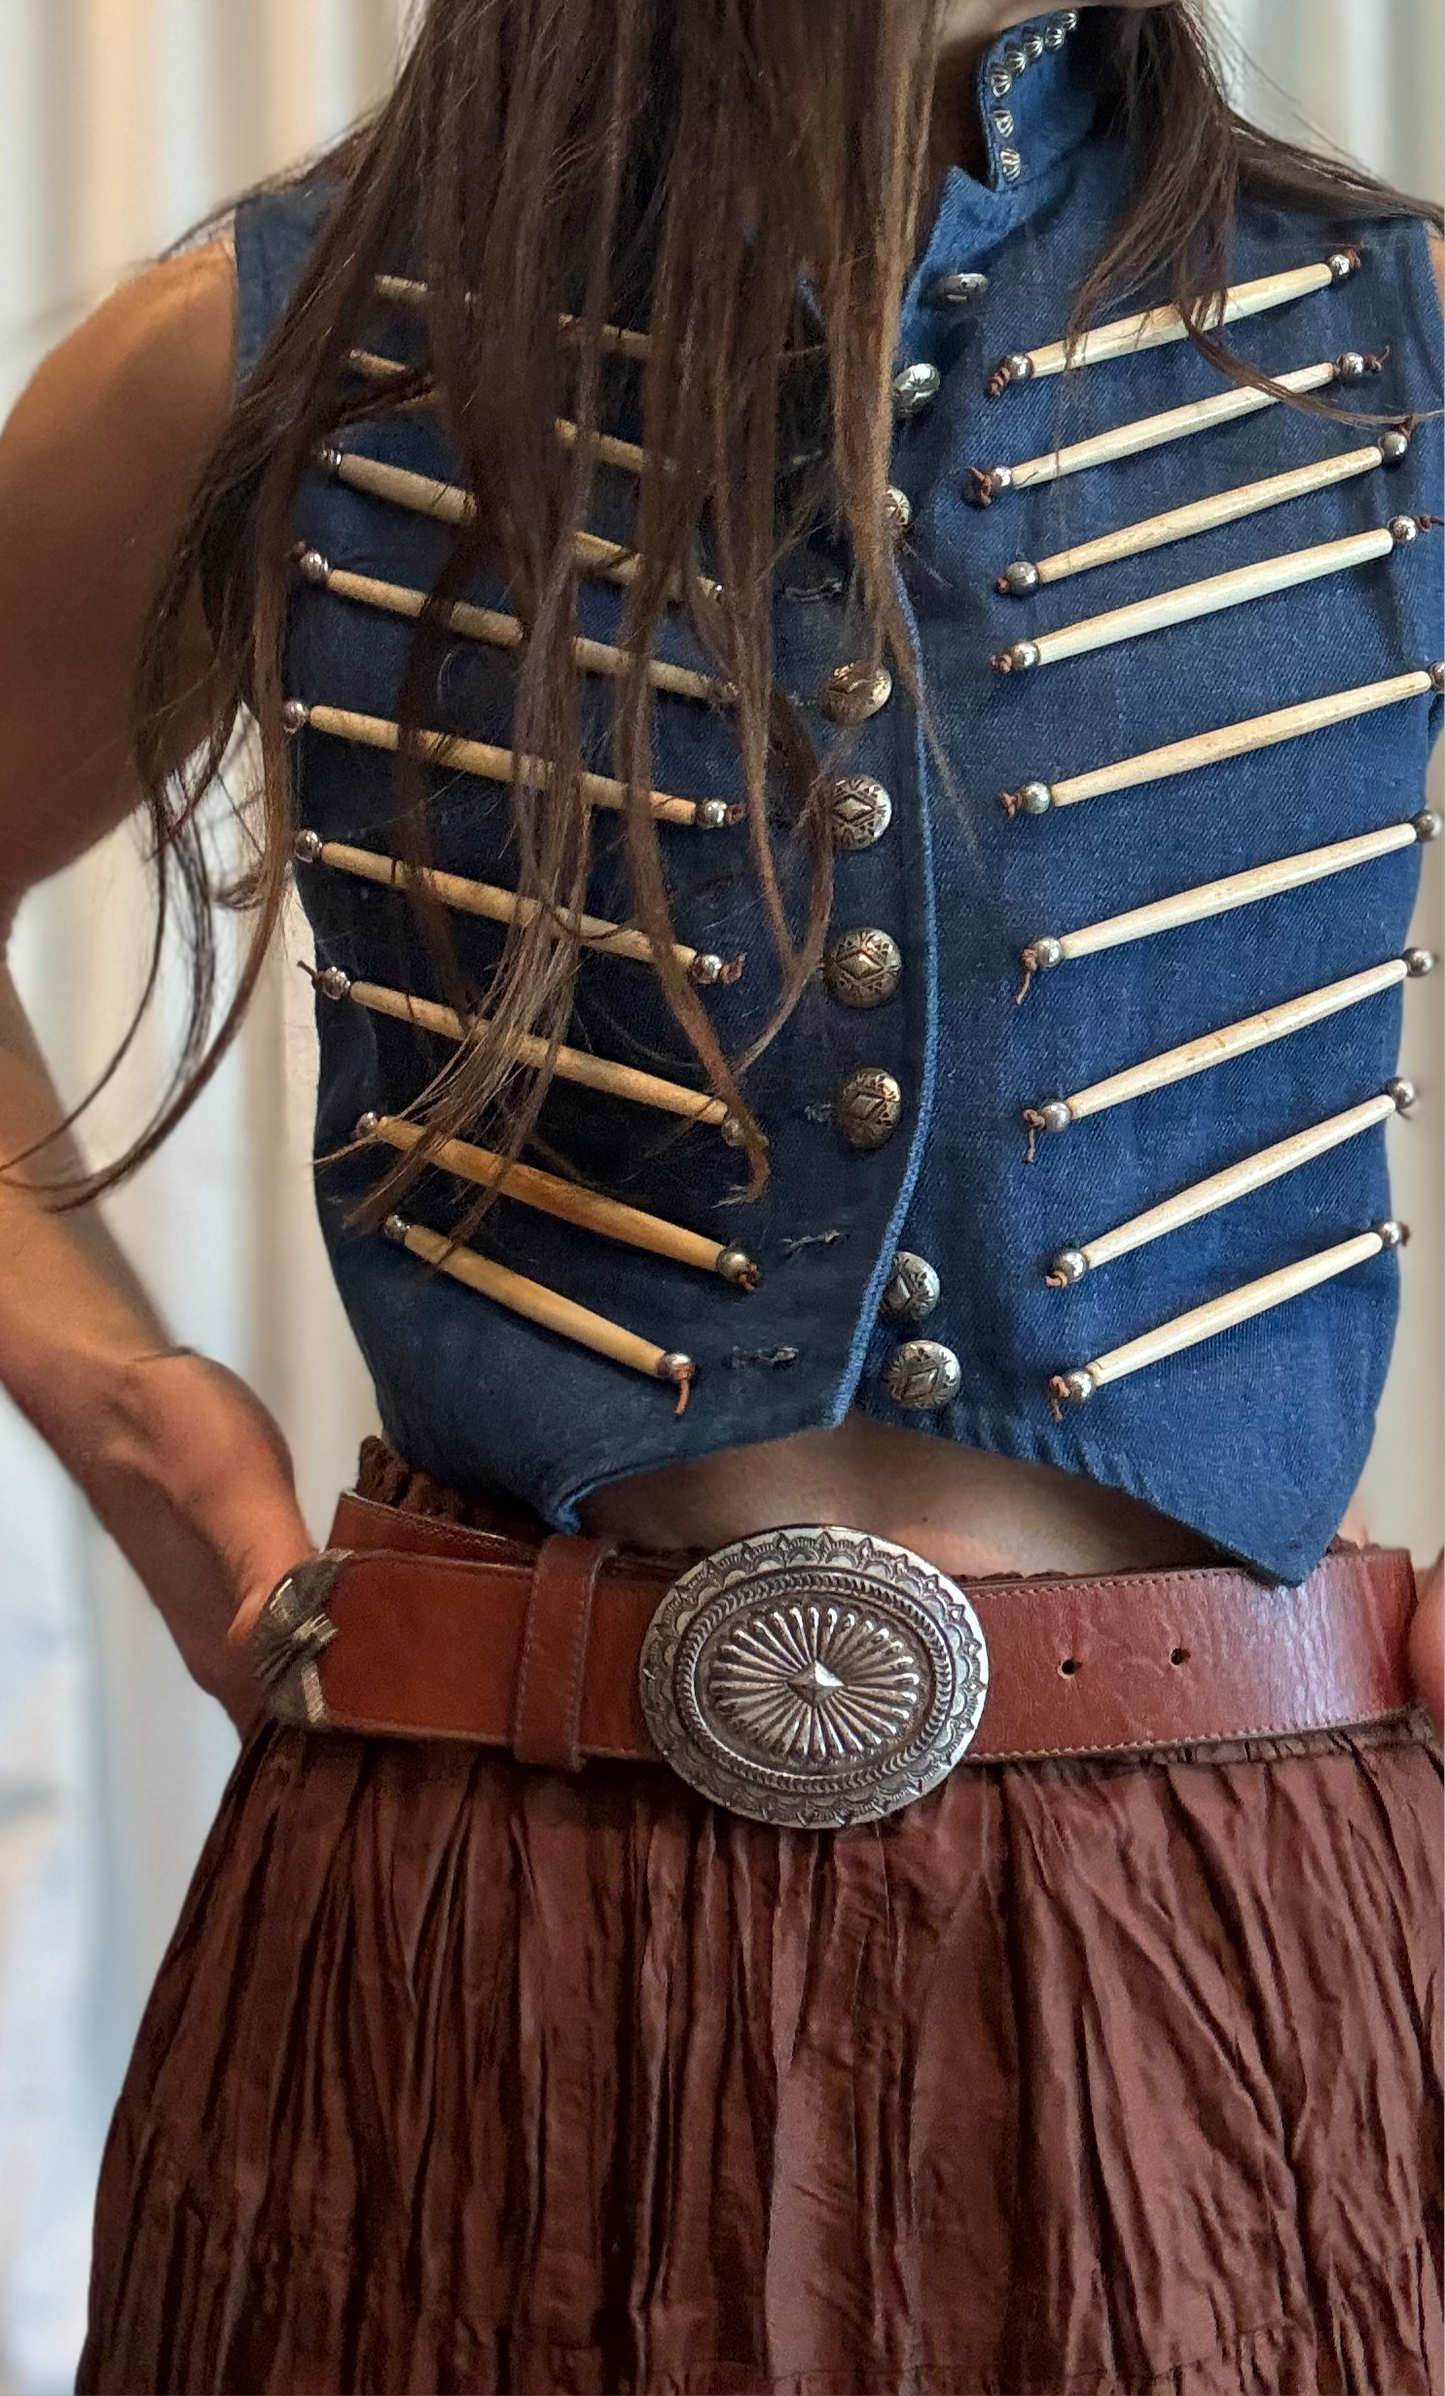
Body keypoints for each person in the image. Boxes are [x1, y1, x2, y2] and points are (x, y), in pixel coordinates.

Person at [0, 0, 1441, 2387]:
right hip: (463, 1950)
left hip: (1227, 1949)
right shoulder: (271, 347)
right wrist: (134, 1418)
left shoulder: (1390, 351)